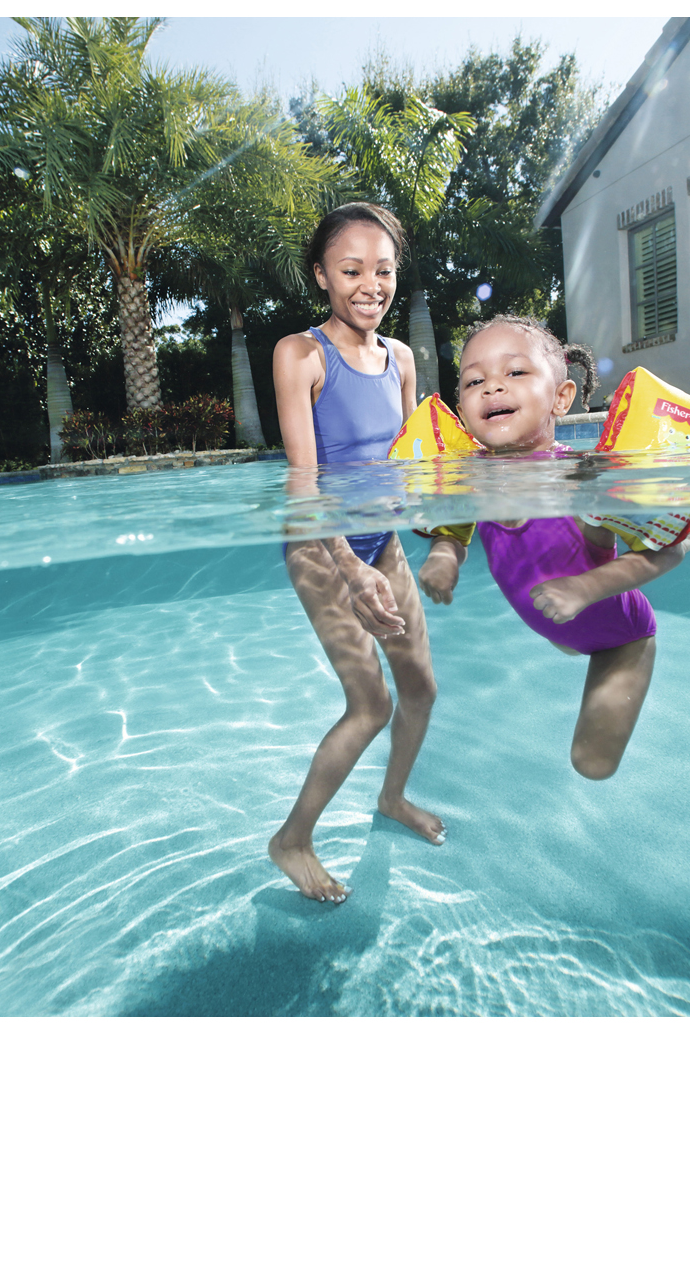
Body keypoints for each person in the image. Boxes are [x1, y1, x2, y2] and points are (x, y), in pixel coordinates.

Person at [417, 315, 690, 782]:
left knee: (592, 764)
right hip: (560, 625)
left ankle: (686, 545)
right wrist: (442, 557)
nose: (492, 387)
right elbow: (454, 531)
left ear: (562, 398)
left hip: (620, 636)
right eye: (474, 381)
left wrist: (584, 589)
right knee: (565, 637)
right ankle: (572, 636)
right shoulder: (469, 479)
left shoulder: (583, 480)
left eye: (515, 372)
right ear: (462, 408)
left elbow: (659, 553)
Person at [268, 203, 445, 904]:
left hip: (382, 545)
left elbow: (406, 465)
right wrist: (350, 567)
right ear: (321, 276)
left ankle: (391, 798)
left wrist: (436, 530)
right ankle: (291, 840)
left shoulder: (401, 358)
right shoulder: (300, 355)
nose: (371, 285)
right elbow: (305, 482)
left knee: (421, 688)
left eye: (384, 270)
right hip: (321, 549)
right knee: (370, 704)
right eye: (351, 271)